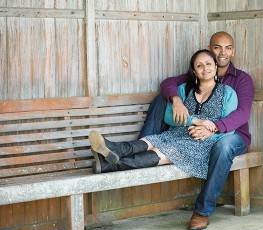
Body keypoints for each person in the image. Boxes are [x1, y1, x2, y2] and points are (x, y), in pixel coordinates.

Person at [139, 31, 254, 230]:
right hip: (192, 134)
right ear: (210, 50)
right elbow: (167, 83)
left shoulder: (241, 80)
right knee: (163, 98)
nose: (222, 52)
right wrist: (176, 101)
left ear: (233, 51)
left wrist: (214, 128)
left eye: (227, 47)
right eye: (217, 47)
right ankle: (140, 148)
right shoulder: (202, 69)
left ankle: (202, 211)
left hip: (231, 135)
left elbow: (242, 114)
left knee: (224, 146)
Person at [88, 49, 238, 198]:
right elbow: (168, 117)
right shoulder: (184, 89)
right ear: (194, 71)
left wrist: (209, 131)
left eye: (208, 64)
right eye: (199, 66)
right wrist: (194, 120)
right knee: (152, 140)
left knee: (163, 151)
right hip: (175, 134)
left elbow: (229, 129)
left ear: (216, 67)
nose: (205, 68)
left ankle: (110, 164)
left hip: (202, 144)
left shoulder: (228, 93)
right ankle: (113, 149)